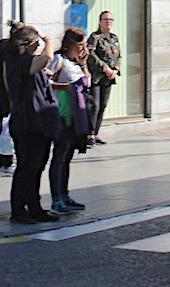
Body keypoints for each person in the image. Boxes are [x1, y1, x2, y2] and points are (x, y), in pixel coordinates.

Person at [5, 26, 62, 224]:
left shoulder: (27, 62)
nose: (39, 46)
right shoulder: (18, 62)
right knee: (27, 167)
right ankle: (19, 210)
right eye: (36, 44)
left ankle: (34, 207)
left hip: (39, 122)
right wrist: (50, 43)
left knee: (37, 167)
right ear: (28, 45)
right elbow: (44, 59)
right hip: (27, 122)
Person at [47, 28, 90, 215]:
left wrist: (83, 63)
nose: (83, 48)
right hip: (61, 115)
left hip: (75, 117)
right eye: (81, 45)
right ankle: (56, 199)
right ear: (70, 45)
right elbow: (45, 82)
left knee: (67, 158)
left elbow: (87, 82)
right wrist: (65, 87)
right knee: (59, 158)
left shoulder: (75, 63)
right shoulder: (59, 61)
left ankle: (65, 195)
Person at [0, 20, 23, 176]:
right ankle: (6, 162)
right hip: (8, 91)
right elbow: (5, 72)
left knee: (4, 124)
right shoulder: (13, 49)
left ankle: (5, 161)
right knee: (10, 126)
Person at [87, 11, 120, 146]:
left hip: (109, 77)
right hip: (97, 77)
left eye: (111, 19)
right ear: (100, 21)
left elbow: (119, 56)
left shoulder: (114, 38)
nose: (108, 22)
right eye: (106, 19)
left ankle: (96, 133)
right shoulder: (95, 37)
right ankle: (89, 135)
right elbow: (91, 55)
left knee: (103, 105)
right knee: (94, 105)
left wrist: (115, 69)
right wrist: (105, 68)